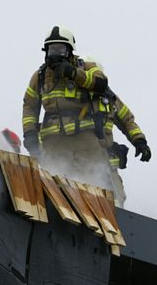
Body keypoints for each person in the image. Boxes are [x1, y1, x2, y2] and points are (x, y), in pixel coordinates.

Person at [22, 26, 113, 189]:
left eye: (60, 49)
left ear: (70, 51)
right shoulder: (40, 76)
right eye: (51, 49)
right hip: (53, 145)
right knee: (53, 188)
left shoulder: (85, 66)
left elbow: (101, 83)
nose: (55, 54)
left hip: (84, 142)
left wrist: (74, 74)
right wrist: (30, 134)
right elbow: (29, 106)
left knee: (95, 187)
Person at [81, 56, 151, 207]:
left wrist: (139, 141)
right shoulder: (75, 96)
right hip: (78, 158)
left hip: (105, 162)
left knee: (116, 201)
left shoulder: (110, 98)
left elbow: (127, 121)